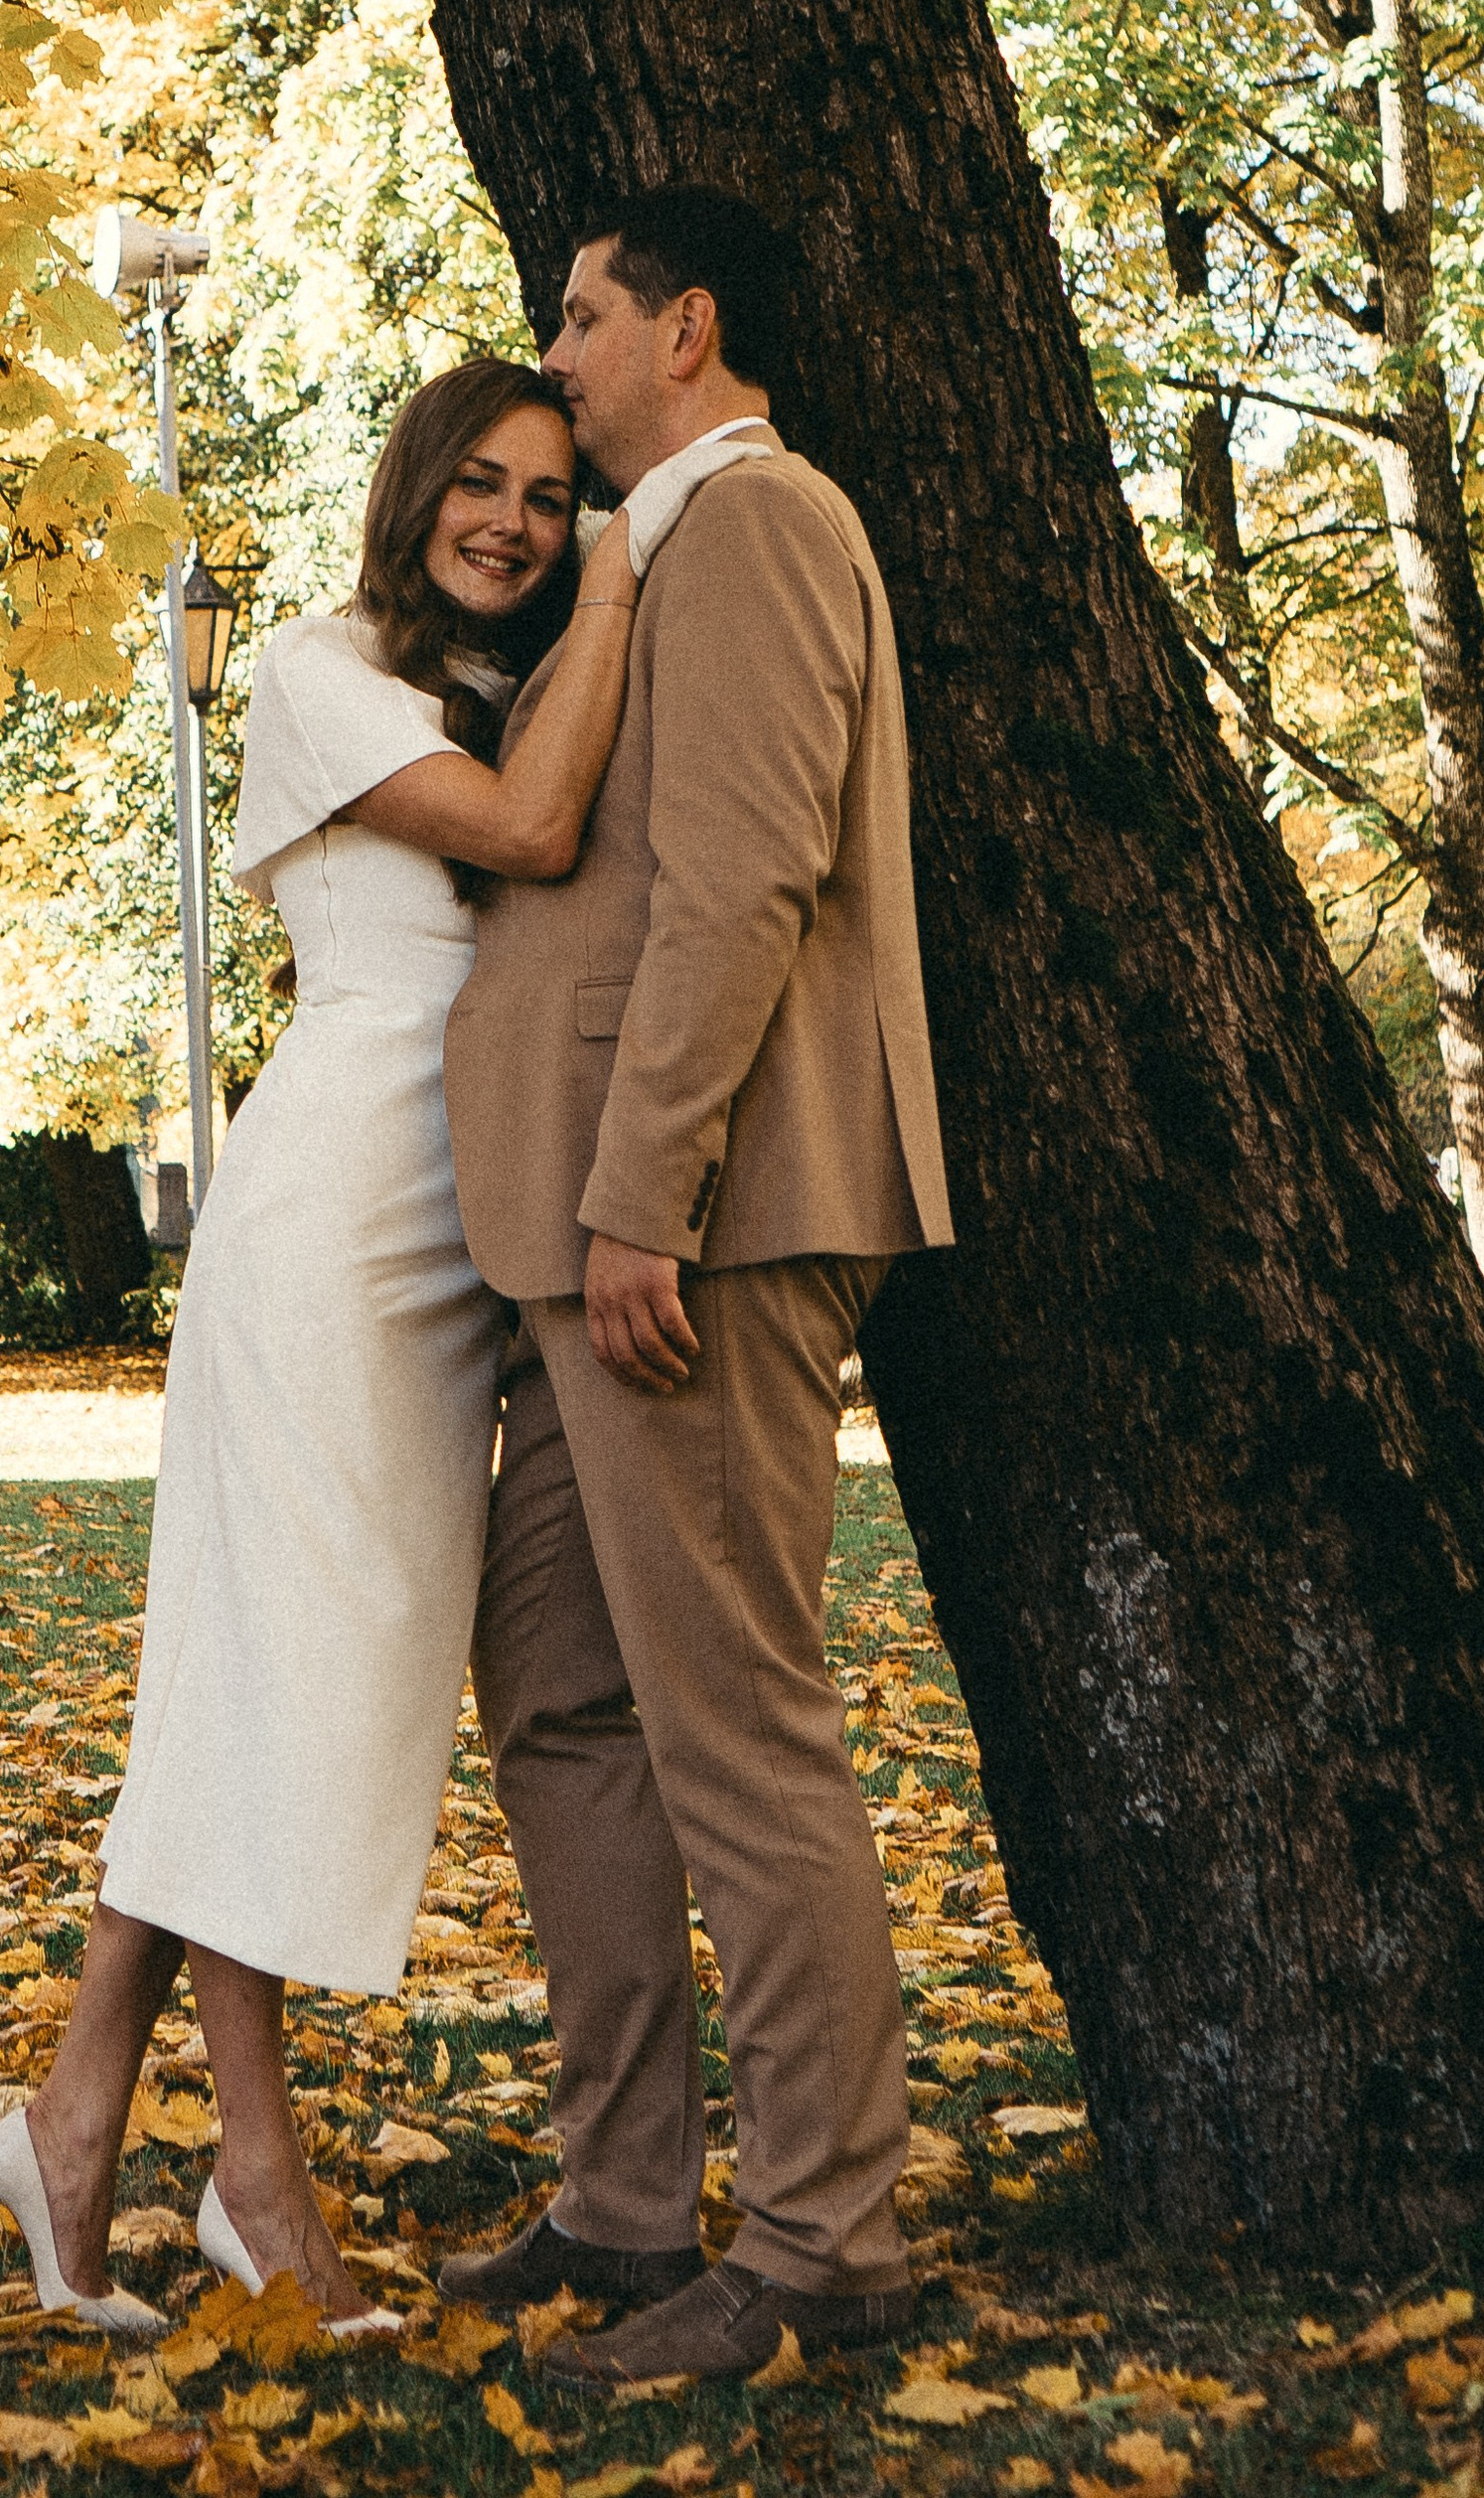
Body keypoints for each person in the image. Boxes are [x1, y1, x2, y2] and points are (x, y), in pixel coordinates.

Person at [0, 357, 668, 2334]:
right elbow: (526, 839)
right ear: (418, 478)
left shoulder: (510, 679)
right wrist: (629, 554)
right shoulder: (307, 666)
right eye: (491, 484)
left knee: (287, 1688)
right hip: (333, 1219)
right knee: (266, 1677)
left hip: (464, 1238)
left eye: (551, 494)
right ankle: (237, 2184)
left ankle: (80, 2123)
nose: (516, 520)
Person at [438, 185, 954, 2385]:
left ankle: (829, 2244)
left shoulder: (755, 521)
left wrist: (641, 1189)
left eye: (579, 320)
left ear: (687, 327)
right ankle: (628, 2201)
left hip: (695, 1229)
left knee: (738, 1734)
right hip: (583, 1240)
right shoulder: (654, 547)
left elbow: (744, 874)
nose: (551, 358)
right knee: (558, 1701)